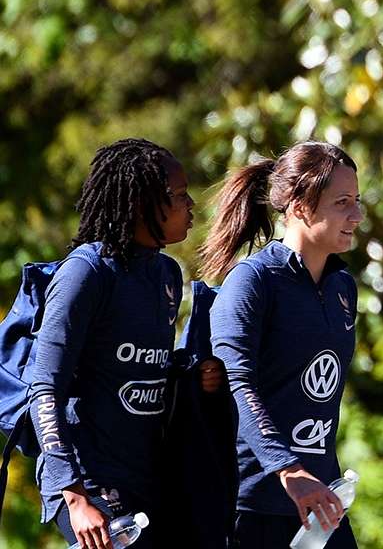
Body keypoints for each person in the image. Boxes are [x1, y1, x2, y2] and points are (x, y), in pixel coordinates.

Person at [28, 139, 193, 549]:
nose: (191, 205)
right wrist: (74, 496)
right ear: (140, 203)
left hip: (146, 475)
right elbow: (44, 388)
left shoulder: (167, 274)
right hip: (89, 480)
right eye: (179, 195)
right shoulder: (86, 274)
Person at [202, 142, 363, 549]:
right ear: (300, 205)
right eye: (342, 202)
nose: (357, 216)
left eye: (357, 201)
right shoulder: (253, 281)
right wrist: (287, 470)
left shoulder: (343, 286)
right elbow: (238, 384)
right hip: (254, 504)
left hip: (321, 500)